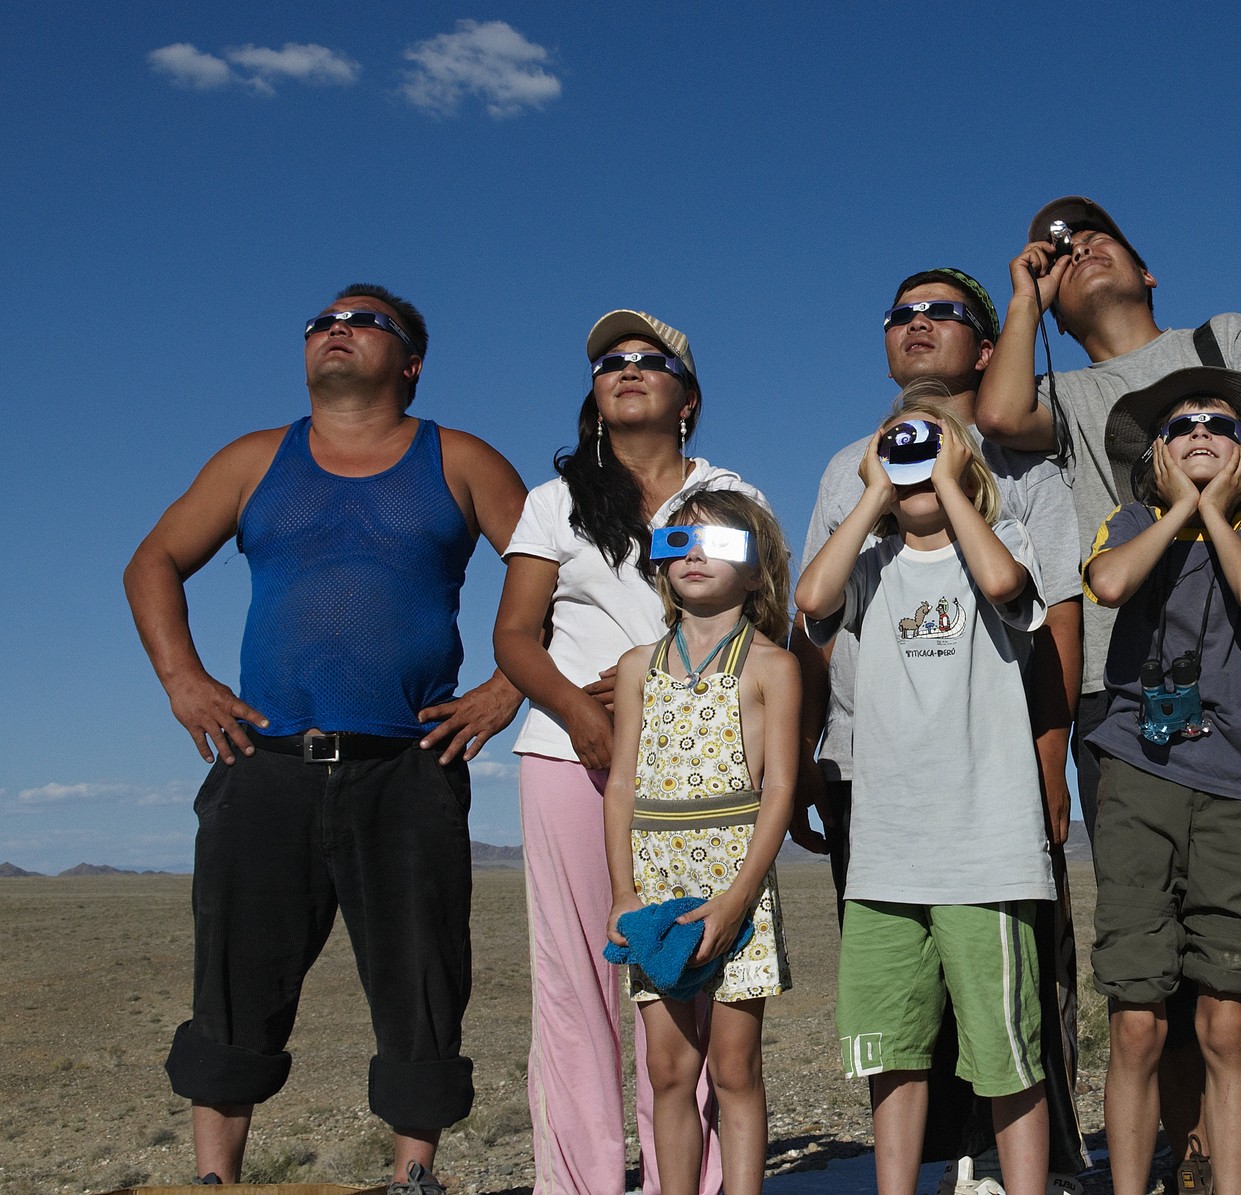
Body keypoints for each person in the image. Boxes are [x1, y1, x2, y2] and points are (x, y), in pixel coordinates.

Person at [978, 197, 1241, 1192]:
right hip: (1125, 697)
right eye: (1060, 250)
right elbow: (999, 414)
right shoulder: (1070, 393)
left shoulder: (1219, 340)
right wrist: (1022, 294)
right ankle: (1188, 1159)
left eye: (1100, 234)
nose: (1079, 246)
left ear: (1151, 274)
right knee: (1162, 969)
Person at [123, 284, 527, 1194]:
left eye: (364, 321)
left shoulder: (458, 459)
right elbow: (152, 560)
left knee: (421, 980)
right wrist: (184, 682)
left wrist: (508, 689)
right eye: (321, 321)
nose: (336, 329)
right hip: (264, 765)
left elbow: (557, 569)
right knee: (234, 979)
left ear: (411, 361)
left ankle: (411, 1178)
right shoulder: (255, 460)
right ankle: (214, 1181)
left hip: (409, 770)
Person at [796, 269, 1086, 1183]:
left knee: (1005, 1033)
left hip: (981, 835)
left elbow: (1019, 595)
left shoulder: (1015, 498)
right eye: (903, 313)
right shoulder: (864, 518)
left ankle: (1014, 1173)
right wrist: (876, 487)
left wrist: (957, 478)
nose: (918, 326)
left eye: (942, 312)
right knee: (896, 1036)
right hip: (885, 831)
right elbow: (811, 601)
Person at [493, 309, 768, 1195]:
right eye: (610, 362)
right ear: (596, 395)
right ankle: (577, 1184)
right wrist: (584, 713)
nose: (627, 369)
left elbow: (769, 618)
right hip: (574, 756)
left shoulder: (728, 495)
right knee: (578, 978)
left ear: (687, 396)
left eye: (650, 360)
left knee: (687, 980)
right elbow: (514, 635)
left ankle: (688, 1182)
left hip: (700, 767)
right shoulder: (556, 501)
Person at [1080, 368, 1241, 1195]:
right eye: (1181, 426)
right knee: (1137, 1020)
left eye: (1221, 422)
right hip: (1141, 775)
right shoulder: (1133, 520)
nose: (1202, 431)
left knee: (1224, 1021)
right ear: (1154, 457)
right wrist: (1179, 507)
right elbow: (1108, 582)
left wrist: (1215, 509)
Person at [604, 488, 798, 1195]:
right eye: (678, 541)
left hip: (734, 884)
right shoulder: (636, 668)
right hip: (654, 886)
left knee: (734, 1066)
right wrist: (624, 890)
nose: (694, 556)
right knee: (668, 1069)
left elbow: (778, 789)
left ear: (756, 572)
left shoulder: (772, 666)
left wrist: (738, 897)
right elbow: (621, 785)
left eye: (719, 543)